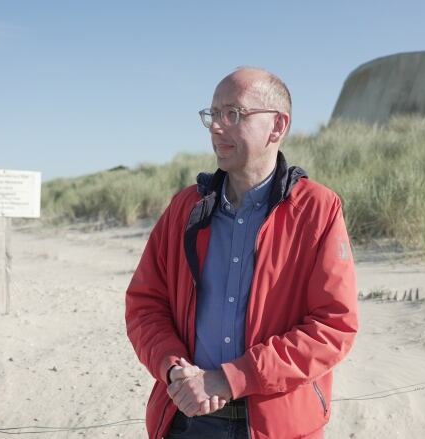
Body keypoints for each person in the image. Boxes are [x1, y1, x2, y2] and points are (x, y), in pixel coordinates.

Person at [125, 67, 358, 439]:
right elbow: (145, 305)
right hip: (187, 419)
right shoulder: (185, 207)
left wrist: (230, 379)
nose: (217, 127)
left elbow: (333, 326)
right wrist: (174, 371)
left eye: (232, 114)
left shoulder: (317, 209)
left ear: (277, 126)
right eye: (213, 115)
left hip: (279, 424)